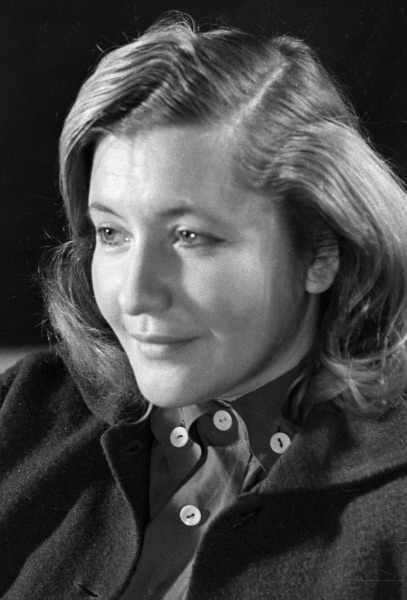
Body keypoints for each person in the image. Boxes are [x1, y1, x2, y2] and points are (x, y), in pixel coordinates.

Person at [2, 13, 407, 600]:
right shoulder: (24, 414)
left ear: (320, 252)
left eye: (190, 237)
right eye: (111, 233)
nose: (135, 294)